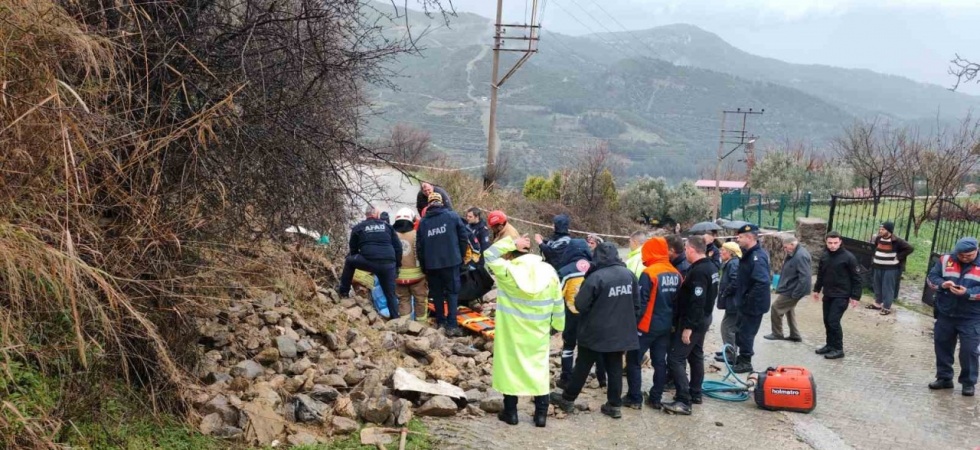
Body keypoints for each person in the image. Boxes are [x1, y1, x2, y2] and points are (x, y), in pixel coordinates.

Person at [483, 234, 565, 427]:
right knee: (539, 371)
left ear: (511, 255)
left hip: (511, 333)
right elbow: (558, 302)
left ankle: (511, 414)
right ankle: (541, 416)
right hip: (538, 332)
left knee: (510, 370)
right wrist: (559, 327)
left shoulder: (507, 271)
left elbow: (488, 255)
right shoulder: (549, 271)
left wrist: (511, 242)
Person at [551, 242, 640, 419]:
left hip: (595, 332)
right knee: (614, 367)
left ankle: (568, 399)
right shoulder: (629, 275)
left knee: (583, 366)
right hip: (620, 332)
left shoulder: (596, 277)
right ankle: (614, 405)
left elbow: (580, 305)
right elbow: (637, 305)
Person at [662, 236, 719, 415]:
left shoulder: (700, 271)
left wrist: (688, 327)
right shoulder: (711, 267)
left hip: (694, 321)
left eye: (686, 249)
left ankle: (683, 400)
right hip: (703, 319)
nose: (685, 251)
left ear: (692, 249)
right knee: (695, 355)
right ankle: (695, 393)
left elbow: (697, 301)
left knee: (675, 358)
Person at [623, 236, 680, 411]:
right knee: (659, 362)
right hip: (665, 326)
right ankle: (656, 398)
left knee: (633, 360)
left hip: (646, 326)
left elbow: (641, 303)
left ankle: (634, 397)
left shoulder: (650, 274)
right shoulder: (676, 274)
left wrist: (632, 325)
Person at [926, 237, 980, 397]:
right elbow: (931, 278)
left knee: (969, 351)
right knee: (942, 346)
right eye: (961, 255)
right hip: (946, 312)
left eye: (968, 255)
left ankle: (968, 382)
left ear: (976, 250)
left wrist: (968, 293)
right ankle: (944, 378)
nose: (964, 258)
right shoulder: (945, 259)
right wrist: (943, 284)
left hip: (971, 316)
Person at [416, 192, 470, 337]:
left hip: (432, 265)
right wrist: (462, 256)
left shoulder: (423, 223)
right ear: (441, 202)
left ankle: (440, 322)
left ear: (429, 205)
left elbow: (419, 247)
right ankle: (452, 325)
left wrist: (423, 265)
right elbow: (463, 237)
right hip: (452, 262)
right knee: (452, 293)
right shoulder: (452, 216)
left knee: (437, 294)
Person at [337, 205, 402, 318]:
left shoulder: (359, 227)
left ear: (366, 215)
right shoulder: (388, 227)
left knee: (349, 261)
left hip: (368, 261)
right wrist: (397, 266)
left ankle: (343, 292)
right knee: (390, 293)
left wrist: (361, 256)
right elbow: (398, 248)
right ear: (377, 215)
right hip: (388, 264)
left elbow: (353, 249)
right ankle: (395, 319)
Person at [812, 231, 862, 360]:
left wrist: (855, 296)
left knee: (833, 321)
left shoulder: (849, 257)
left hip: (842, 295)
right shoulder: (825, 256)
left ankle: (838, 349)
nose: (833, 245)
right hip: (828, 294)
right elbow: (821, 274)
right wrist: (817, 289)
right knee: (827, 321)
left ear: (840, 242)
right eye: (830, 243)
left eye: (835, 243)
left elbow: (857, 278)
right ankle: (830, 345)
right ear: (826, 242)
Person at [731, 223, 771, 373]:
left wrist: (748, 299)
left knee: (747, 333)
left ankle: (746, 361)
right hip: (745, 302)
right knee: (741, 332)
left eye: (740, 237)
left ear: (749, 237)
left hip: (753, 305)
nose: (737, 239)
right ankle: (741, 358)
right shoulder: (748, 253)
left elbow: (762, 282)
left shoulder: (757, 257)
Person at [765, 236, 812, 343]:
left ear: (792, 244)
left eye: (786, 247)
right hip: (790, 288)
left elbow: (805, 277)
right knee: (789, 310)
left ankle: (777, 333)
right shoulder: (796, 253)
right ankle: (795, 335)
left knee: (776, 307)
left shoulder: (800, 255)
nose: (785, 250)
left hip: (793, 289)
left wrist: (796, 293)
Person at [870, 221, 914, 315]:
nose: (880, 231)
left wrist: (898, 257)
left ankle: (886, 306)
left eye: (883, 229)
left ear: (889, 230)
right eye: (880, 229)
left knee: (887, 287)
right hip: (878, 266)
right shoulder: (878, 238)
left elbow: (910, 248)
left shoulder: (897, 241)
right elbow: (876, 247)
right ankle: (877, 303)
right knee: (877, 285)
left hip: (890, 268)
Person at [392, 208, 428, 321]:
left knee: (403, 300)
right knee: (420, 300)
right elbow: (423, 255)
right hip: (418, 277)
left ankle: (404, 326)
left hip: (399, 276)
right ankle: (421, 326)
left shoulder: (392, 236)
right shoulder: (417, 235)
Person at [714, 242, 742, 363]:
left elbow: (735, 281)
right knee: (729, 327)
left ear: (730, 252)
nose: (721, 252)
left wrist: (725, 292)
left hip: (734, 302)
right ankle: (729, 350)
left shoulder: (734, 264)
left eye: (723, 250)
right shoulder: (731, 263)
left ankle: (731, 355)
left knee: (727, 328)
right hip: (733, 302)